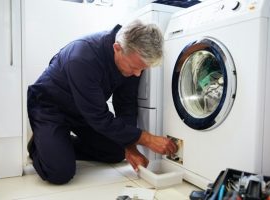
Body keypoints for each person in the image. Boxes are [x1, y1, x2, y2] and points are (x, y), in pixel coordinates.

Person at [27, 20, 178, 185]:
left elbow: (126, 105)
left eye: (142, 69)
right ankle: (40, 145)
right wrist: (147, 139)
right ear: (117, 48)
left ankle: (60, 144)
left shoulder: (132, 60)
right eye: (134, 67)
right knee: (59, 172)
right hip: (50, 106)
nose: (137, 74)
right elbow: (99, 118)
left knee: (117, 152)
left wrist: (131, 146)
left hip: (83, 111)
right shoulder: (83, 57)